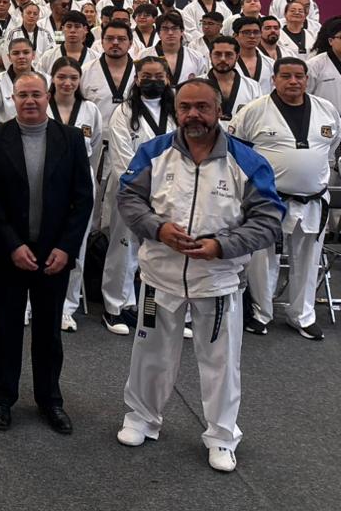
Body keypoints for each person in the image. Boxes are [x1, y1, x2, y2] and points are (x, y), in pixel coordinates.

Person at [116, 78, 283, 472]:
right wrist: (157, 228)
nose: (193, 115)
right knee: (150, 354)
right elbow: (128, 198)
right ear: (177, 110)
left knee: (221, 361)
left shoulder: (247, 160)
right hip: (160, 277)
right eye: (186, 106)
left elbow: (269, 218)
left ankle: (222, 436)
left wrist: (221, 246)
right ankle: (142, 418)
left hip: (218, 280)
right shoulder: (153, 153)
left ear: (219, 110)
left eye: (202, 107)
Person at [0, 71, 93, 434]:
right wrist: (12, 244)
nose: (30, 101)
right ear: (12, 98)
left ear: (49, 97)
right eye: (22, 95)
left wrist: (66, 247)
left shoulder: (71, 139)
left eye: (36, 95)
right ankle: (2, 397)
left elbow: (83, 199)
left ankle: (50, 400)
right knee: (6, 326)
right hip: (9, 251)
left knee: (48, 330)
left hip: (53, 252)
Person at [232, 57, 341, 339]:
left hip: (314, 199)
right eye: (287, 76)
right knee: (263, 259)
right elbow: (237, 151)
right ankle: (260, 313)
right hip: (269, 199)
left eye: (299, 76)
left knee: (308, 257)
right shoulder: (255, 111)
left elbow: (331, 147)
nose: (293, 81)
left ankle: (302, 315)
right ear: (274, 79)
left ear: (307, 79)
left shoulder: (326, 109)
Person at [100, 57, 176, 335]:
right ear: (136, 79)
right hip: (132, 192)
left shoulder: (175, 110)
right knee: (124, 247)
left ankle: (155, 307)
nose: (152, 81)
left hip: (169, 192)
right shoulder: (123, 112)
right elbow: (122, 157)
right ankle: (115, 306)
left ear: (167, 79)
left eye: (158, 76)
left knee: (162, 250)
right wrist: (145, 190)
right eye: (146, 76)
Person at [47, 58, 104, 330]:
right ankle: (33, 303)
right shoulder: (43, 105)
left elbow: (94, 148)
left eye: (73, 77)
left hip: (80, 182)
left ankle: (66, 306)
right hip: (45, 180)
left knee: (76, 245)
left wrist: (85, 179)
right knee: (42, 239)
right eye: (61, 77)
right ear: (53, 78)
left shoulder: (91, 110)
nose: (67, 83)